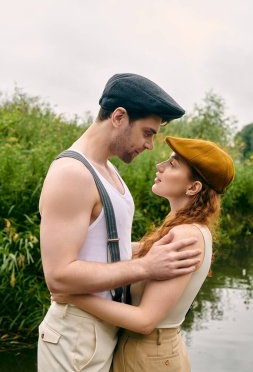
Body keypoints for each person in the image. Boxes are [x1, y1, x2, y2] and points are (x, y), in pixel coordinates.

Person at [37, 74, 201, 372]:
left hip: (105, 330)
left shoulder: (109, 170)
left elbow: (101, 245)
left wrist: (150, 249)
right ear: (119, 117)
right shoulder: (72, 173)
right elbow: (58, 276)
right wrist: (146, 267)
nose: (150, 145)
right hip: (74, 336)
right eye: (147, 133)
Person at [53, 136, 235, 372]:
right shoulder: (184, 227)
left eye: (172, 164)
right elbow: (133, 250)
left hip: (148, 357)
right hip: (150, 352)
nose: (160, 166)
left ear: (193, 187)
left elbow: (145, 320)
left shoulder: (185, 237)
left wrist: (72, 295)